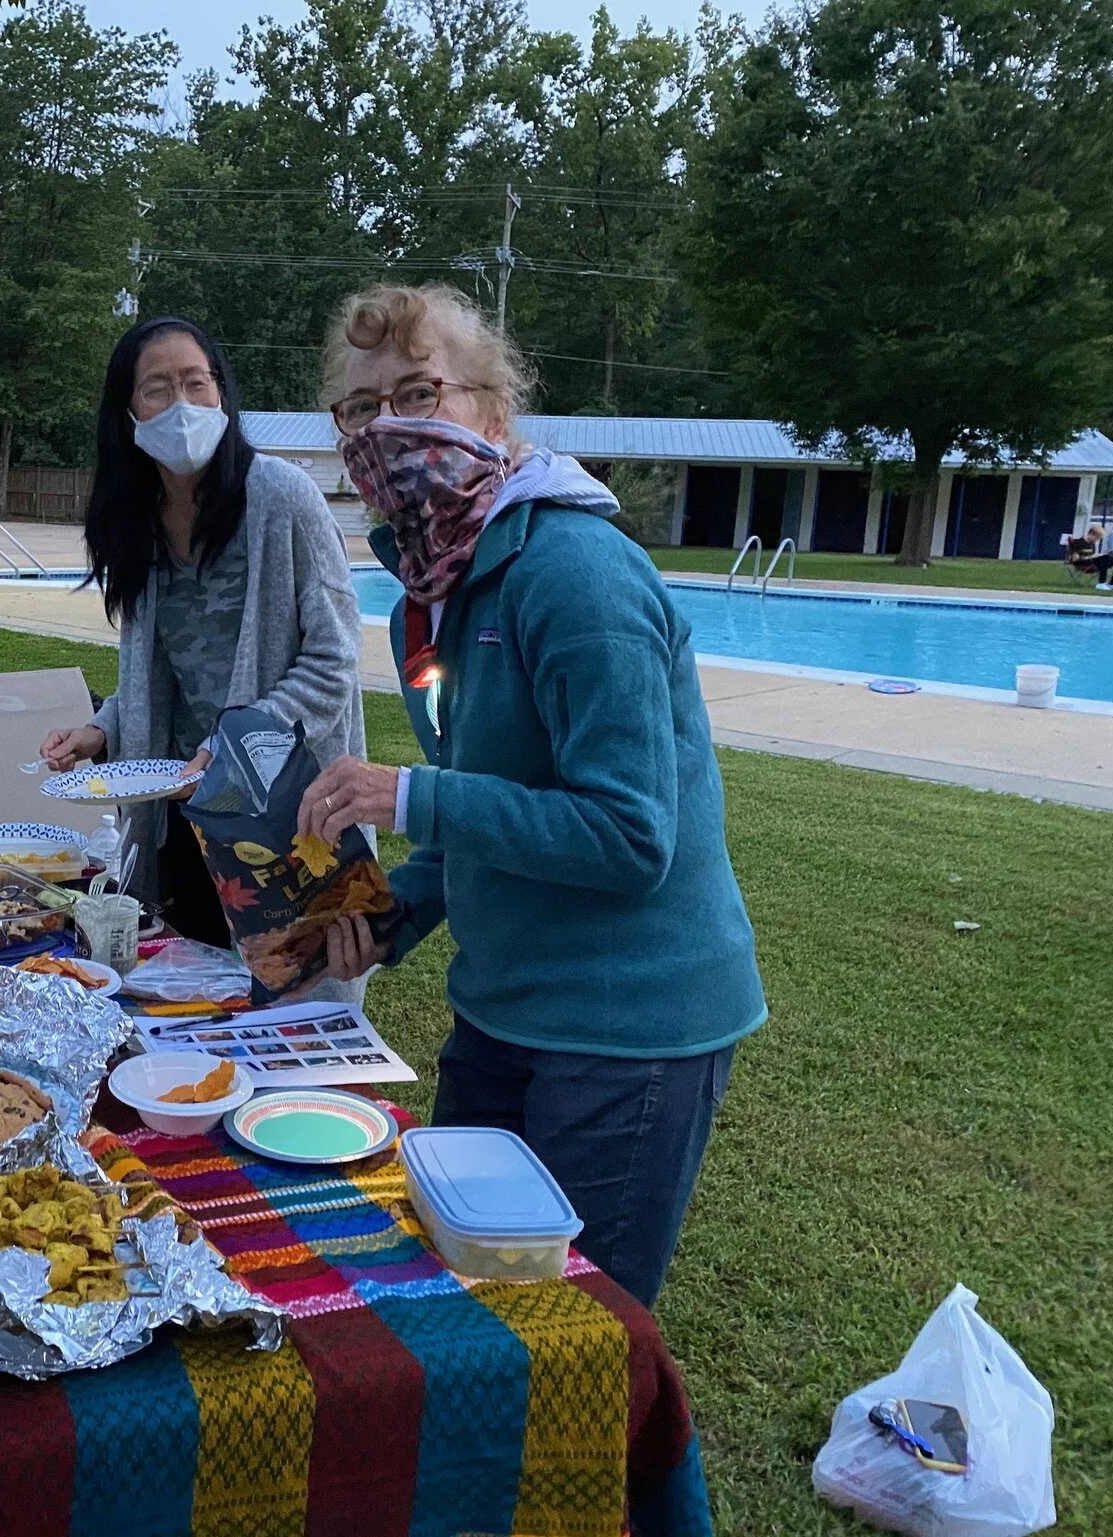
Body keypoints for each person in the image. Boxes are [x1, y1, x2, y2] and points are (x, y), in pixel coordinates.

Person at [301, 283, 765, 1309]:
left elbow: (629, 833)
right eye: (363, 409)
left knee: (570, 1328)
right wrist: (393, 915)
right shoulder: (432, 594)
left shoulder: (578, 576)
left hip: (628, 1026)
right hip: (503, 1006)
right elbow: (496, 813)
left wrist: (412, 795)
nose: (390, 431)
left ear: (493, 413)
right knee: (464, 1294)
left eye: (419, 394)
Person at [38, 316, 362, 945]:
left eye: (197, 382)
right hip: (186, 817)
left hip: (289, 820)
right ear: (127, 412)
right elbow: (163, 678)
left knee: (291, 1004)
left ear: (222, 392)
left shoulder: (283, 498)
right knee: (192, 1000)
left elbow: (333, 661)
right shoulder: (136, 522)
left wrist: (237, 747)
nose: (182, 404)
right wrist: (100, 729)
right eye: (158, 388)